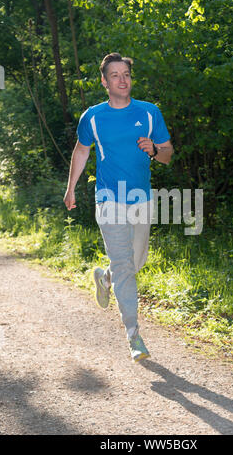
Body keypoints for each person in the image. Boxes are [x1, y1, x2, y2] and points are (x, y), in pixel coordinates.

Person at [63, 52, 173, 362]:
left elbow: (167, 153)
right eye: (115, 74)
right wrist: (70, 188)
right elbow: (81, 151)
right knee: (126, 265)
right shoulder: (93, 117)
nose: (122, 79)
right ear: (104, 81)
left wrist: (154, 150)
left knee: (134, 263)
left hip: (141, 199)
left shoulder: (150, 113)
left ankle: (105, 277)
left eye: (126, 73)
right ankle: (133, 335)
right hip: (108, 198)